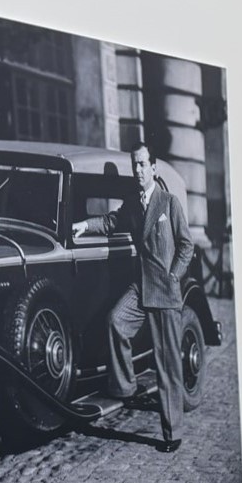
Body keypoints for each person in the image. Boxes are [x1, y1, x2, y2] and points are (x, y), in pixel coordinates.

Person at [74, 144, 196, 453]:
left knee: (167, 365)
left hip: (164, 293)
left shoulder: (168, 203)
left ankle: (172, 433)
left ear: (153, 168)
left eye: (142, 164)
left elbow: (187, 245)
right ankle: (126, 387)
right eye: (134, 165)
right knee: (116, 321)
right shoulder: (132, 203)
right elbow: (110, 222)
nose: (138, 170)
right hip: (141, 288)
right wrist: (85, 225)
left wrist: (173, 275)